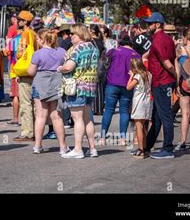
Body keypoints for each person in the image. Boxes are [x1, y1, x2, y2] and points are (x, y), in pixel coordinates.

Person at [58, 24, 98, 158]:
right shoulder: (93, 47)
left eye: (73, 35)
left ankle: (78, 149)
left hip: (77, 86)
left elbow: (69, 66)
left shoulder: (78, 48)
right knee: (87, 119)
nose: (71, 37)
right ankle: (92, 148)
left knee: (77, 118)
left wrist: (60, 68)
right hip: (90, 87)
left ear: (80, 35)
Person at [27, 29, 68, 154]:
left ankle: (37, 145)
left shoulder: (38, 54)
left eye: (38, 39)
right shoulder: (62, 52)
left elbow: (31, 72)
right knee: (56, 116)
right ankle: (63, 146)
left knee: (40, 115)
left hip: (40, 84)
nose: (37, 41)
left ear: (43, 40)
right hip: (57, 83)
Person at [144, 12, 177, 159]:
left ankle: (168, 149)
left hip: (162, 82)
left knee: (165, 116)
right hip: (162, 82)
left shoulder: (158, 40)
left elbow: (168, 63)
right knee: (156, 116)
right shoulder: (167, 39)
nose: (147, 26)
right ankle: (147, 146)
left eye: (150, 23)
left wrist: (177, 76)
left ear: (157, 24)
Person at [99, 35, 141, 146]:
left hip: (112, 83)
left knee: (108, 110)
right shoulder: (136, 54)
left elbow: (106, 57)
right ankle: (123, 138)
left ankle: (103, 137)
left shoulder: (114, 51)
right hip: (127, 85)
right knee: (124, 111)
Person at [13, 11, 38, 142]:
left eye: (20, 20)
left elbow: (19, 53)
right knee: (33, 103)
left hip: (26, 71)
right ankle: (34, 130)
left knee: (25, 103)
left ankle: (27, 133)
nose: (18, 22)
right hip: (35, 71)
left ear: (25, 22)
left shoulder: (25, 33)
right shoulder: (34, 34)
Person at [126, 58, 152, 159]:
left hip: (139, 102)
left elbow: (128, 87)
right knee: (144, 126)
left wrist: (131, 76)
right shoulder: (148, 74)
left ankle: (141, 149)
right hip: (147, 101)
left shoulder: (137, 76)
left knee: (138, 127)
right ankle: (144, 148)